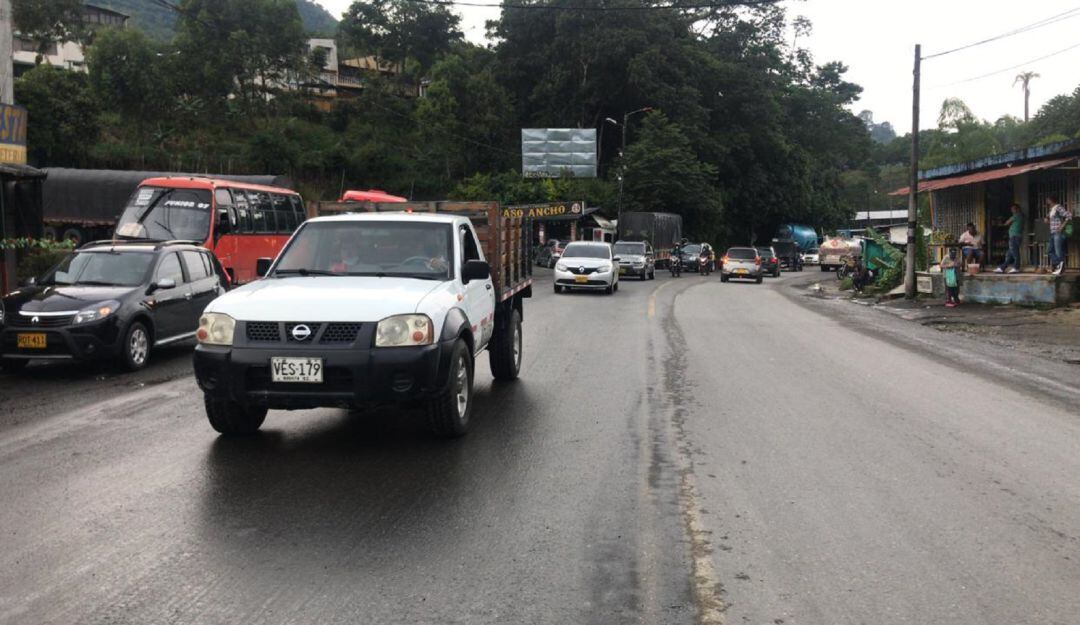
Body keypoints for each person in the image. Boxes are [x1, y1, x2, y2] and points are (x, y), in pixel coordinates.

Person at [1044, 195, 1072, 275]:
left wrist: (1062, 226)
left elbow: (1069, 215)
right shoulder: (1052, 209)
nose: (1046, 200)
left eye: (1048, 199)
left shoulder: (1058, 207)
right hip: (1053, 232)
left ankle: (1060, 268)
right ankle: (1059, 265)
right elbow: (1051, 220)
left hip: (1058, 233)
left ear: (1051, 200)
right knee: (1049, 250)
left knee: (1058, 251)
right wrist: (1047, 220)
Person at [995, 204, 1024, 273]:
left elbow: (1007, 223)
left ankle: (1016, 267)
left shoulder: (1016, 216)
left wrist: (999, 223)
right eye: (1012, 209)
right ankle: (1002, 268)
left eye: (1013, 209)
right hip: (1016, 236)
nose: (1012, 211)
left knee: (1015, 253)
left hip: (1014, 237)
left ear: (1018, 209)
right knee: (1009, 254)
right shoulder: (1021, 216)